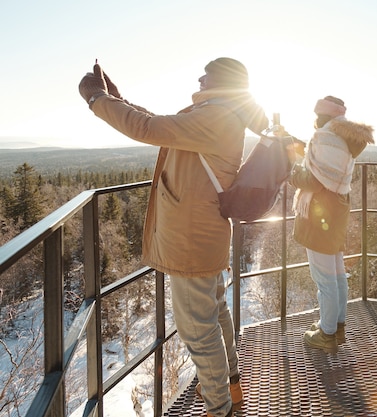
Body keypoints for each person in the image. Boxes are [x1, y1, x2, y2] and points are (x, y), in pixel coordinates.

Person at [78, 57, 269, 417]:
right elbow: (163, 126)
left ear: (223, 82)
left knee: (197, 329)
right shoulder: (220, 114)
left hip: (192, 239)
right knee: (215, 311)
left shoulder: (218, 116)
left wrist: (97, 100)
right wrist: (119, 99)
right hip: (203, 233)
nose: (200, 77)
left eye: (207, 74)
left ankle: (220, 407)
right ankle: (230, 383)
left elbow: (149, 129)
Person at [291, 96, 374, 353]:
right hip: (337, 208)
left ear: (322, 116)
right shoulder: (345, 138)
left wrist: (292, 171)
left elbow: (315, 180)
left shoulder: (325, 137)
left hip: (320, 213)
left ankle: (326, 334)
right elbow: (326, 167)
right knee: (337, 274)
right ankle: (337, 325)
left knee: (324, 278)